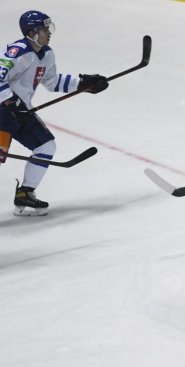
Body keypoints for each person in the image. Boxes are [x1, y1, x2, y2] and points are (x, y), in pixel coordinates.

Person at [0, 10, 108, 216]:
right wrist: (11, 101)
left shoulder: (47, 54)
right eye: (44, 30)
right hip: (2, 113)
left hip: (21, 112)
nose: (49, 33)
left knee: (45, 146)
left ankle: (25, 193)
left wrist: (83, 84)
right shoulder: (17, 52)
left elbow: (52, 82)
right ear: (32, 33)